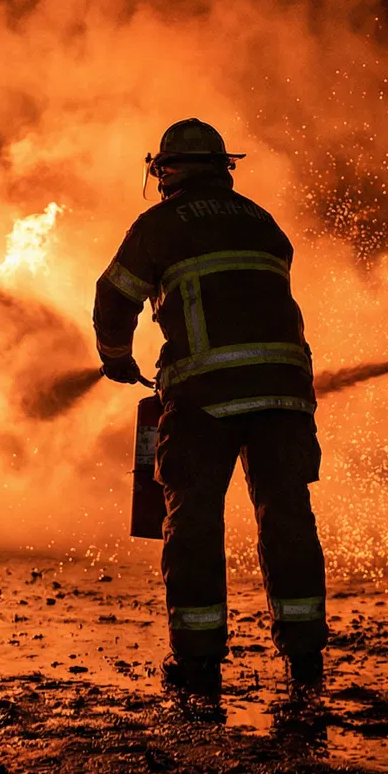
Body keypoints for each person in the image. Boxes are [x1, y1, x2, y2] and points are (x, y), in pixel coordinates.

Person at [93, 119, 327, 697]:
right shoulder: (263, 222)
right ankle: (305, 658)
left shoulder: (160, 224)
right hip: (286, 392)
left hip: (204, 398)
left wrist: (117, 358)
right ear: (224, 168)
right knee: (287, 516)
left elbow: (114, 296)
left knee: (194, 522)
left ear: (165, 170)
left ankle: (198, 664)